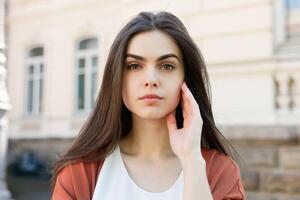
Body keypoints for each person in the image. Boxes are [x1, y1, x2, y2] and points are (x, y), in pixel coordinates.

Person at [51, 11, 246, 200]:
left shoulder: (220, 172)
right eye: (134, 66)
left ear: (185, 79)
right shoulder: (80, 175)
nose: (151, 80)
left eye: (167, 66)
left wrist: (191, 160)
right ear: (117, 78)